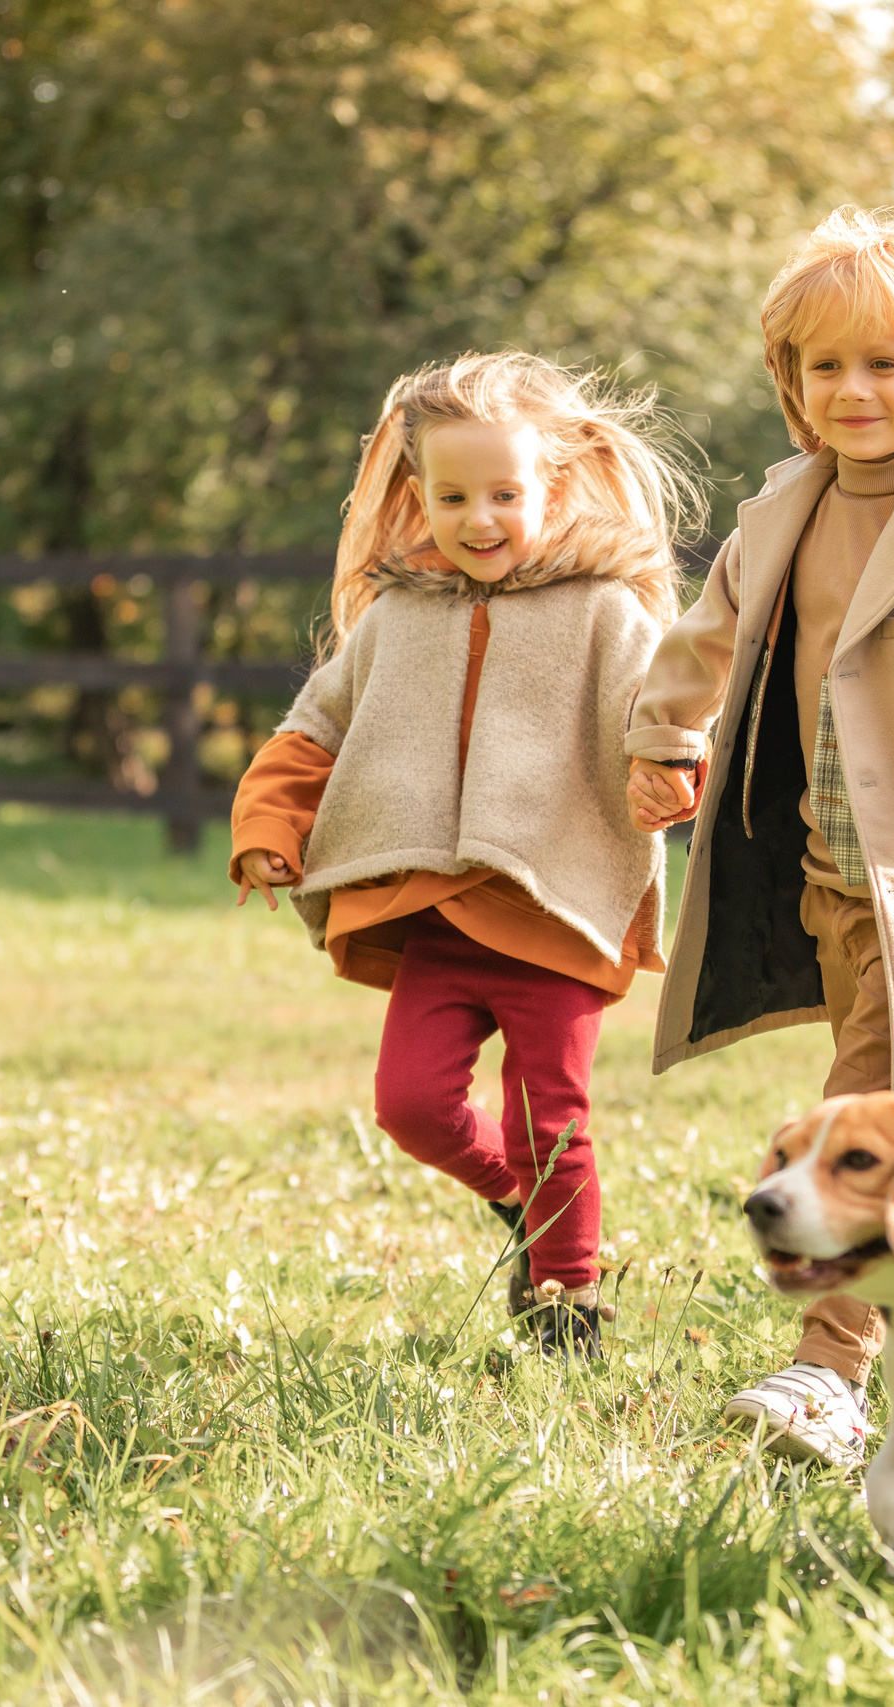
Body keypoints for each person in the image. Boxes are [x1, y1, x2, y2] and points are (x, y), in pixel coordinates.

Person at [625, 207, 894, 1458]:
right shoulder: (782, 511)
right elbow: (704, 639)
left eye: (887, 363)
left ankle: (825, 1373)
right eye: (825, 365)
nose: (853, 389)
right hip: (813, 875)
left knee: (872, 1112)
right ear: (791, 382)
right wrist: (661, 738)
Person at [231, 351, 698, 1358]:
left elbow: (661, 718)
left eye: (503, 494)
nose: (477, 518)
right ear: (417, 495)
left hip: (554, 910)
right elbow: (312, 730)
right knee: (409, 1106)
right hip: (436, 915)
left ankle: (569, 1299)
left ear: (553, 489)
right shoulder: (398, 618)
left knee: (551, 1119)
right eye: (451, 496)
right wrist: (270, 829)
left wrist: (667, 770)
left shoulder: (603, 613)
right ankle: (527, 1210)